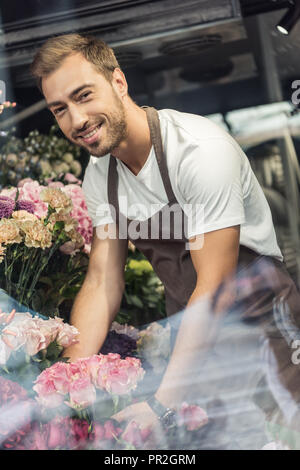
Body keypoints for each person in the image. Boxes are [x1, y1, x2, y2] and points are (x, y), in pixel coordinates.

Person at [30, 33, 300, 438]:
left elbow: (214, 287)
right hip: (198, 350)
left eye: (84, 95)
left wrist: (163, 402)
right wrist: (63, 388)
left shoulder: (198, 152)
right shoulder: (101, 175)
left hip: (266, 334)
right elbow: (104, 280)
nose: (76, 120)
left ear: (119, 83)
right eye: (60, 109)